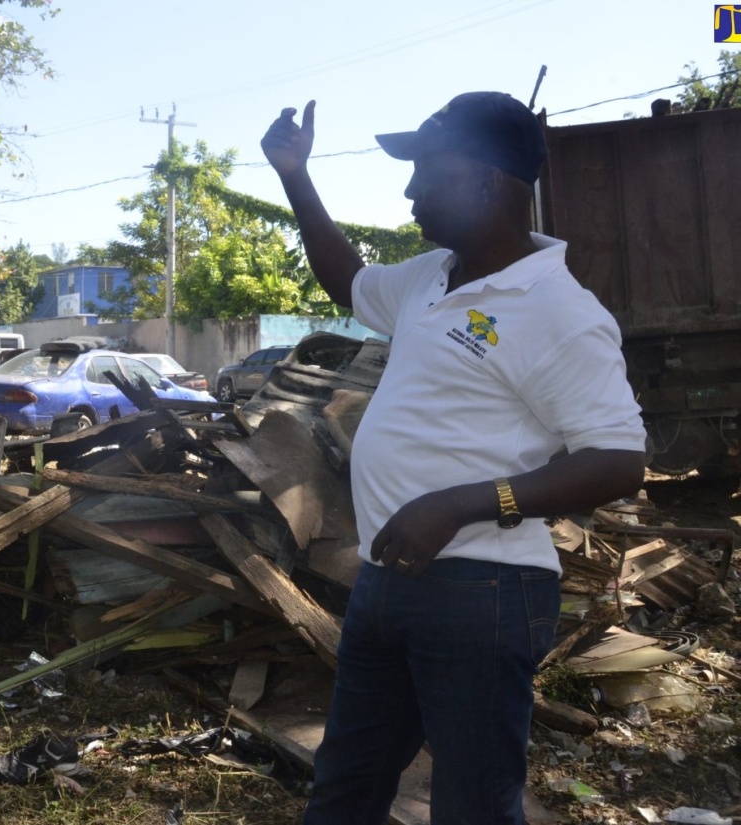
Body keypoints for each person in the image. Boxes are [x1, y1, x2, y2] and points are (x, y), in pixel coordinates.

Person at [261, 92, 648, 824]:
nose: (409, 192)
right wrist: (294, 176)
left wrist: (467, 503)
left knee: (472, 806)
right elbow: (347, 279)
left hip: (483, 593)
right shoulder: (431, 275)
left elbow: (619, 459)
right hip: (387, 580)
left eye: (426, 174)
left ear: (483, 182)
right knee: (344, 790)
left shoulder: (559, 311)